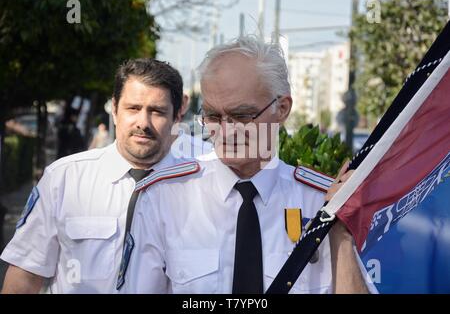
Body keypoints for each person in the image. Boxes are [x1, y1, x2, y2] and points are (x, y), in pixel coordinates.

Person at [122, 36, 370, 294]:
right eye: (213, 116)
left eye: (242, 116)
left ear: (282, 108)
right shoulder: (162, 197)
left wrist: (338, 232)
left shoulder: (322, 202)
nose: (227, 131)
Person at [0, 58, 189, 293]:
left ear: (177, 115)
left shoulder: (199, 187)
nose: (143, 122)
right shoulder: (64, 179)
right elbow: (25, 275)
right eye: (133, 108)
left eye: (157, 111)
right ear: (115, 108)